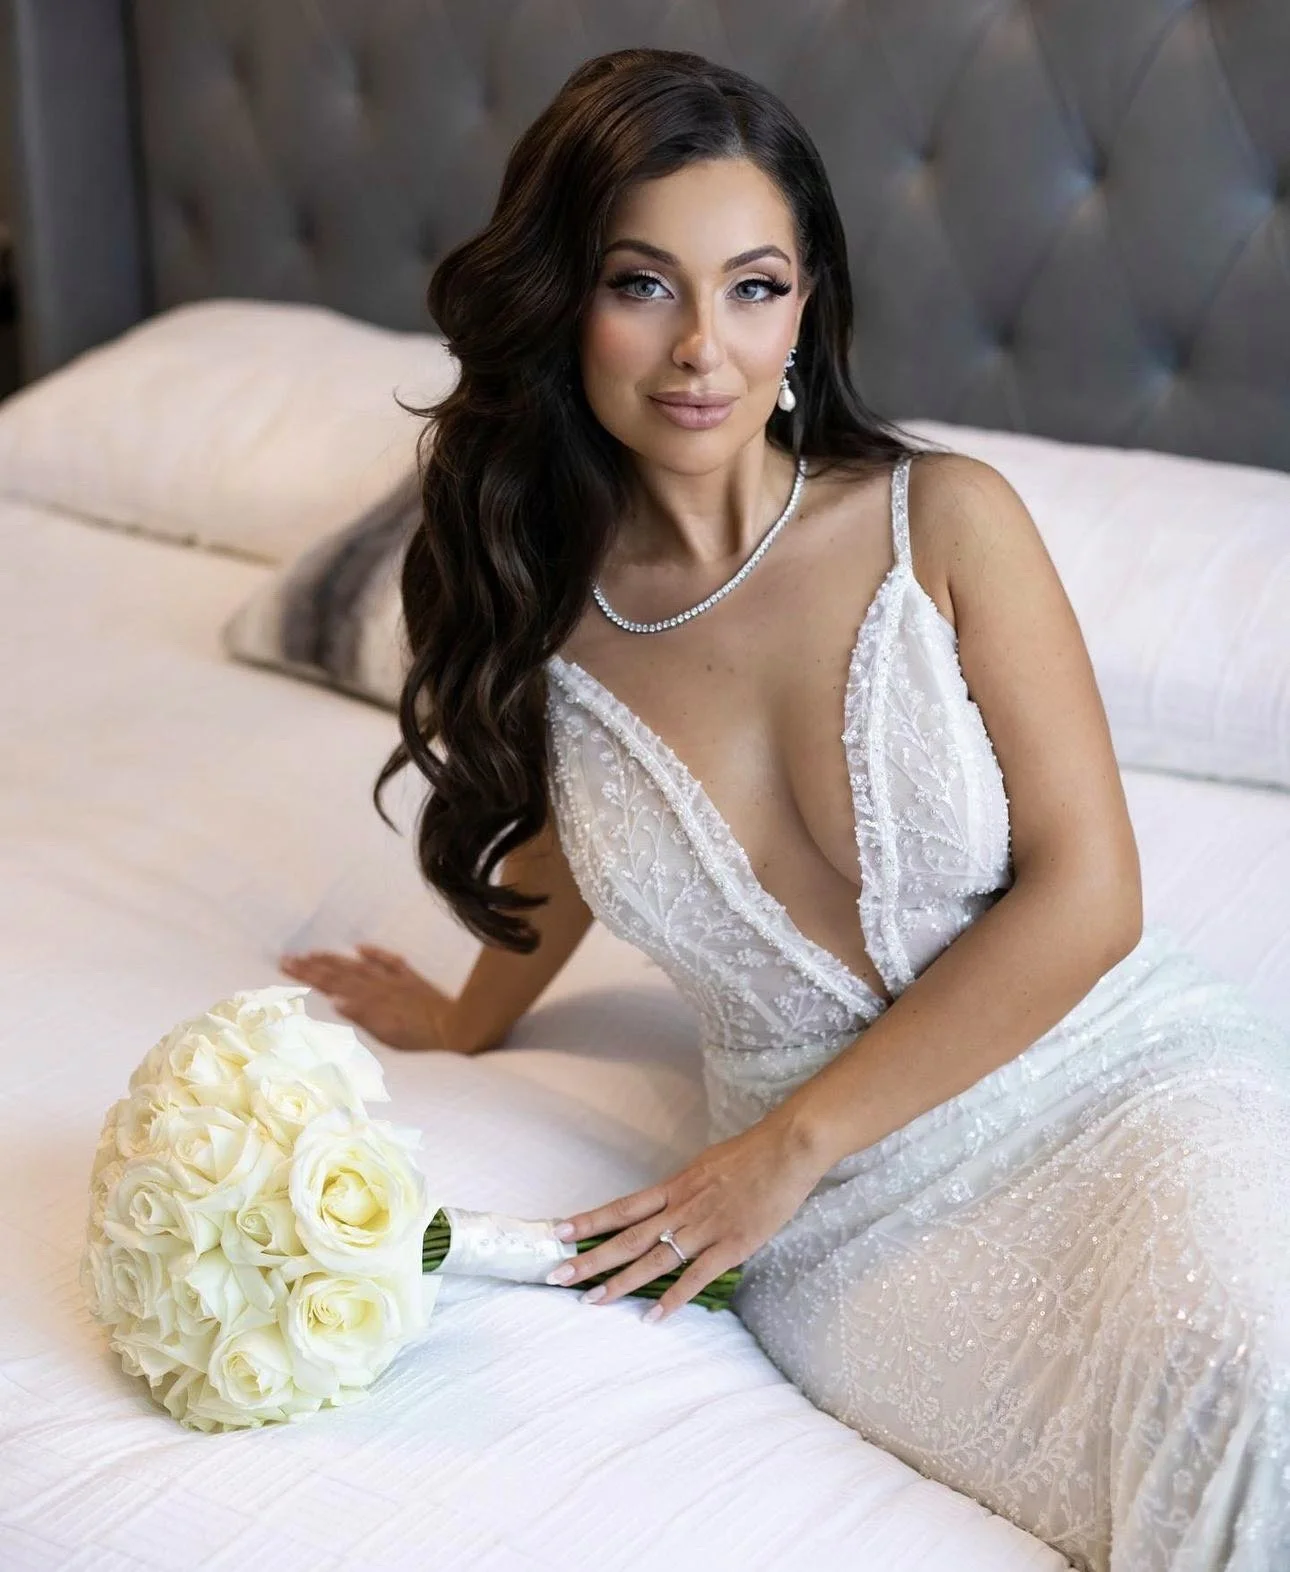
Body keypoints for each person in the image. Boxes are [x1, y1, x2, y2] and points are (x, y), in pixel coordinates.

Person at [278, 46, 1290, 1572]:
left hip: (1101, 1073)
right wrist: (468, 1019)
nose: (702, 347)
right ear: (565, 300)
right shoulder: (545, 620)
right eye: (642, 283)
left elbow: (1093, 892)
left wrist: (785, 1150)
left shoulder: (941, 523)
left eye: (752, 285)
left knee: (1245, 1376)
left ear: (807, 302)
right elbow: (580, 831)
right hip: (851, 1238)